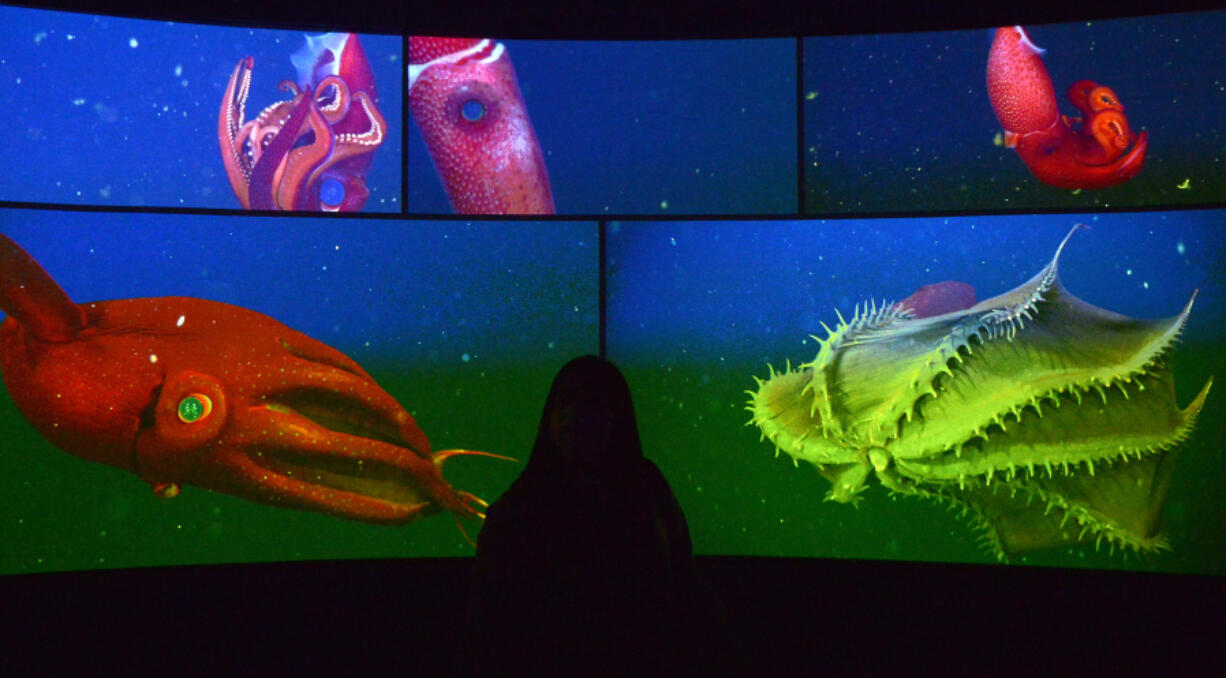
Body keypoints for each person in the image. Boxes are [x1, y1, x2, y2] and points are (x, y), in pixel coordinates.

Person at [466, 355, 709, 674]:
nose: (577, 417)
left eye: (593, 405)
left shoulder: (646, 487)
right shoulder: (520, 508)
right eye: (567, 403)